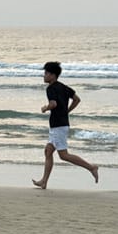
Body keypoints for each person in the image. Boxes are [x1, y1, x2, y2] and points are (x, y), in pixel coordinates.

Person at [32, 61, 98, 190]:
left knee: (64, 155)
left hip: (58, 125)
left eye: (46, 73)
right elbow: (77, 99)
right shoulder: (64, 87)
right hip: (61, 124)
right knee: (48, 151)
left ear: (52, 75)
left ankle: (91, 167)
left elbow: (54, 104)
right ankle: (44, 181)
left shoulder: (50, 88)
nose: (44, 76)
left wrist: (46, 108)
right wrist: (67, 111)